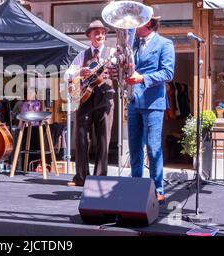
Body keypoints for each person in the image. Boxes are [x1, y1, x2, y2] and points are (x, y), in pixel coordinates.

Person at [125, 15, 175, 204]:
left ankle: (157, 189)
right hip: (133, 101)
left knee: (153, 148)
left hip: (154, 103)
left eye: (137, 22)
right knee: (134, 147)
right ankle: (135, 186)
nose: (133, 26)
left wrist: (143, 78)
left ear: (148, 23)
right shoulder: (134, 44)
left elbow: (168, 72)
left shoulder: (165, 43)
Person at [64, 20, 116, 186]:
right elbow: (67, 75)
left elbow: (119, 71)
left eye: (102, 32)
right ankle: (81, 177)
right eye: (96, 33)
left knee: (103, 138)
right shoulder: (82, 55)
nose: (100, 35)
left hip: (105, 98)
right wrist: (80, 71)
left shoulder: (112, 53)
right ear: (89, 36)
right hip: (84, 99)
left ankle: (99, 178)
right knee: (81, 138)